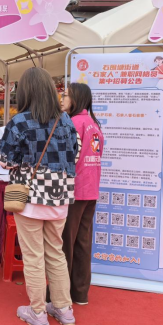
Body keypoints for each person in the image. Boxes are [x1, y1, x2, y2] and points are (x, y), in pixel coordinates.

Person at [0, 67, 78, 325]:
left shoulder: (19, 121)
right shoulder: (66, 120)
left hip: (30, 197)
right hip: (60, 196)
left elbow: (5, 159)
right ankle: (64, 309)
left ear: (26, 91)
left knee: (33, 256)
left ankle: (38, 312)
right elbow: (74, 155)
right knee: (56, 253)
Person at [60, 83, 103, 306]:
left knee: (65, 243)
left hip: (74, 190)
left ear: (76, 98)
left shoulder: (73, 123)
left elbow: (65, 157)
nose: (62, 98)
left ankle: (60, 294)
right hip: (90, 190)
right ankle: (80, 293)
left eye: (66, 95)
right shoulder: (94, 124)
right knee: (83, 242)